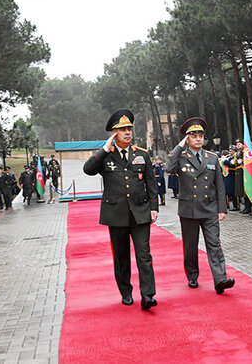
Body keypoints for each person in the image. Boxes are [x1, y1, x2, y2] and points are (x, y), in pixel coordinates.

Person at [83, 109, 158, 310]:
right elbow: (88, 169)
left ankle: (148, 295)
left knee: (144, 254)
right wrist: (104, 149)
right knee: (121, 255)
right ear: (113, 133)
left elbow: (151, 184)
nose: (127, 132)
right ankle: (126, 291)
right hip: (116, 214)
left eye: (129, 129)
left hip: (140, 212)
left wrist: (154, 207)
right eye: (122, 129)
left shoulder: (142, 154)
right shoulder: (106, 156)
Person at [165, 117, 236, 294]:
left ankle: (220, 279)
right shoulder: (180, 157)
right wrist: (179, 146)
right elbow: (168, 167)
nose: (198, 139)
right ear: (187, 138)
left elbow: (219, 184)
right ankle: (192, 275)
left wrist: (222, 208)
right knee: (190, 246)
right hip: (188, 209)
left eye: (200, 136)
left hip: (209, 208)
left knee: (214, 244)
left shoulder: (212, 157)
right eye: (193, 136)